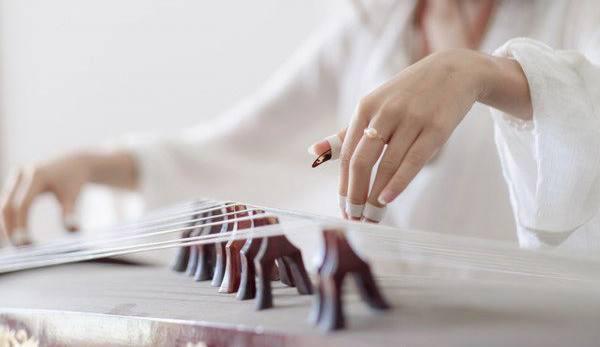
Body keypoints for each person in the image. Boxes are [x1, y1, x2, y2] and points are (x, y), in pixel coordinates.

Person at [2, 0, 599, 255]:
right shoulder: (374, 25)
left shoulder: (573, 12)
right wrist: (93, 164)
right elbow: (238, 151)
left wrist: (486, 74)